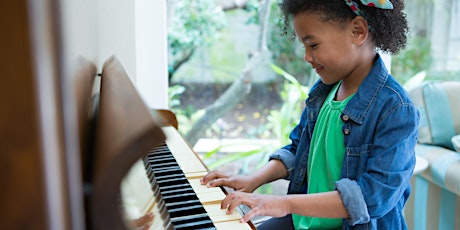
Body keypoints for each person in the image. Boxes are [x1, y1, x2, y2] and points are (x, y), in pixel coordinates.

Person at [200, 0, 420, 229]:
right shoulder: (324, 91)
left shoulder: (396, 110)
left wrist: (283, 203)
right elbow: (298, 150)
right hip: (305, 221)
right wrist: (253, 180)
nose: (306, 56)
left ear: (358, 31)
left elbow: (373, 197)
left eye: (313, 45)